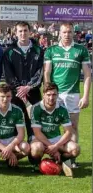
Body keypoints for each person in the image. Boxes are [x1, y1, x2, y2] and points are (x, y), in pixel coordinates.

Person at [43, 22, 91, 167]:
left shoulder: (81, 50)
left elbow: (88, 74)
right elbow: (47, 73)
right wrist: (47, 92)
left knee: (72, 127)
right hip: (55, 95)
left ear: (74, 33)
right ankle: (51, 154)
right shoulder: (51, 50)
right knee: (50, 126)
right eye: (64, 32)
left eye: (70, 32)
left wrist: (85, 96)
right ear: (59, 33)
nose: (67, 35)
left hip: (73, 95)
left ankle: (70, 159)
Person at [2, 21, 44, 148]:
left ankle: (34, 159)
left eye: (25, 30)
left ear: (30, 32)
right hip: (15, 95)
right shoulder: (9, 51)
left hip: (34, 93)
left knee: (34, 125)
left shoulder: (38, 50)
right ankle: (13, 157)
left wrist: (29, 87)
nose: (23, 33)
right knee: (14, 124)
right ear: (15, 33)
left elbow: (41, 71)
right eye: (20, 31)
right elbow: (8, 74)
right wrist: (19, 89)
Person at [30, 82, 79, 175]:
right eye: (48, 95)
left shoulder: (62, 109)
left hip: (56, 139)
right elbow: (37, 133)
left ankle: (60, 162)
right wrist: (51, 147)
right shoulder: (36, 108)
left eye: (54, 94)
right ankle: (36, 165)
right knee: (36, 148)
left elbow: (68, 132)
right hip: (39, 139)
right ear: (43, 95)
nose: (51, 98)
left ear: (58, 95)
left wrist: (56, 146)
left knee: (75, 149)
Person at [0, 84, 30, 168]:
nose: (5, 99)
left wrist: (10, 147)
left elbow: (21, 134)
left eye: (8, 96)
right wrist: (6, 149)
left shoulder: (17, 110)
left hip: (10, 140)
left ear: (11, 96)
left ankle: (11, 160)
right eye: (2, 96)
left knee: (26, 148)